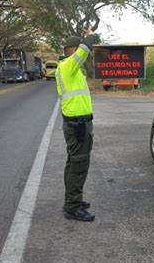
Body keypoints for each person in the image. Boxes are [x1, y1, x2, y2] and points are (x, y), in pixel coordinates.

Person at [55, 27, 97, 222]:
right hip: (77, 126)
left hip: (80, 124)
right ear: (71, 50)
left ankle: (73, 200)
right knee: (78, 165)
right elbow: (84, 49)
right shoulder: (67, 66)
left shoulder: (74, 70)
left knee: (74, 164)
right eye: (77, 49)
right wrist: (90, 36)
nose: (79, 53)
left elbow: (86, 59)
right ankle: (73, 206)